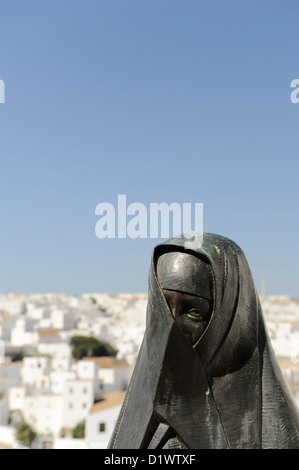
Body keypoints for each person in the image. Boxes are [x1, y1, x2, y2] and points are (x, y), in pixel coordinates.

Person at [108, 233, 299, 449]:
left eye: (193, 311)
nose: (172, 327)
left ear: (227, 320)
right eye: (162, 307)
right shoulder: (141, 418)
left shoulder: (277, 437)